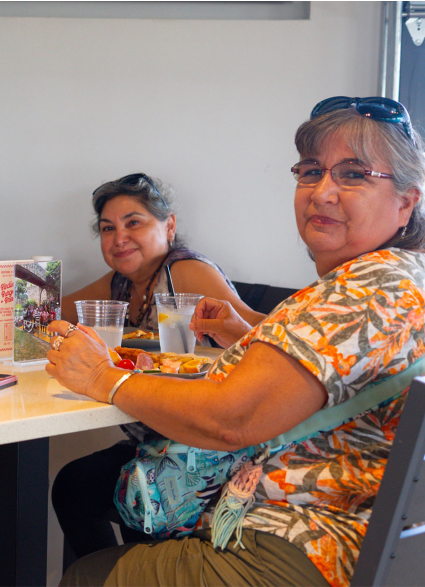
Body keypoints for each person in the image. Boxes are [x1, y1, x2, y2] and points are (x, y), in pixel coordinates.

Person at [47, 96, 425, 587]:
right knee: (82, 487)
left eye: (354, 174)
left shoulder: (363, 289)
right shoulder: (405, 276)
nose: (323, 192)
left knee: (85, 574)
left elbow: (231, 419)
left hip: (302, 544)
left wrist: (104, 377)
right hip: (358, 534)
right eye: (311, 171)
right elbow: (331, 365)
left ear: (406, 201)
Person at [55, 172, 267, 560]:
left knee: (113, 493)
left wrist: (237, 330)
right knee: (74, 485)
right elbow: (51, 311)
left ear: (169, 226)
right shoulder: (121, 284)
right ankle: (105, 577)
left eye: (133, 222)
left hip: (205, 448)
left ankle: (133, 573)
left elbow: (266, 332)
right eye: (107, 228)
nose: (119, 238)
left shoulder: (183, 271)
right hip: (158, 437)